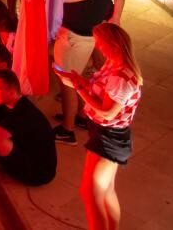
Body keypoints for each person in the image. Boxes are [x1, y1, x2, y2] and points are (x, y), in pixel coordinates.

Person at [57, 23, 142, 230]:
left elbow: (107, 111)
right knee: (106, 190)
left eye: (101, 43)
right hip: (104, 134)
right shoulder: (113, 63)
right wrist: (78, 81)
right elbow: (100, 93)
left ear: (113, 45)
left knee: (90, 192)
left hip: (109, 138)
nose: (99, 47)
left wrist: (78, 87)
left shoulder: (122, 77)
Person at [54, 0, 123, 144]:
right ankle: (81, 116)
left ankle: (67, 129)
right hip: (89, 32)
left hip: (76, 36)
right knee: (81, 76)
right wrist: (115, 18)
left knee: (68, 80)